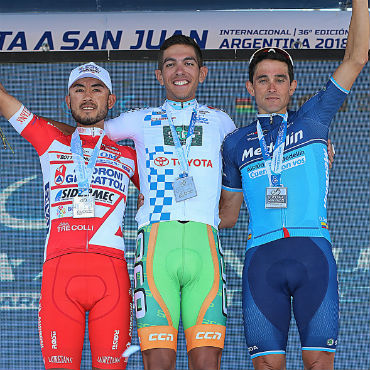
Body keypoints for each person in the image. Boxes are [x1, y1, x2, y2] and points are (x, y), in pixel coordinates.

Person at [49, 35, 236, 370]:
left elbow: (247, 165)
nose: (180, 71)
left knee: (208, 362)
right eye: (170, 64)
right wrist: (41, 129)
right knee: (158, 363)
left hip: (205, 246)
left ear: (203, 73)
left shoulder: (222, 122)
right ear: (159, 75)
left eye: (188, 63)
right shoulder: (139, 119)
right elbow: (85, 131)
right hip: (154, 247)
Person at [219, 1, 369, 369]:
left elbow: (357, 57)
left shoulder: (314, 116)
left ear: (293, 86)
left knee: (320, 363)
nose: (272, 86)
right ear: (250, 87)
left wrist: (360, 3)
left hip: (313, 256)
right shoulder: (235, 143)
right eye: (263, 79)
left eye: (280, 78)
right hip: (261, 261)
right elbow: (227, 215)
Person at [0, 62, 139, 370]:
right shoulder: (48, 140)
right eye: (79, 89)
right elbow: (3, 99)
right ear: (67, 100)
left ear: (110, 100)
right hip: (59, 278)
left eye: (96, 88)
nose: (87, 96)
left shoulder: (130, 156)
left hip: (112, 279)